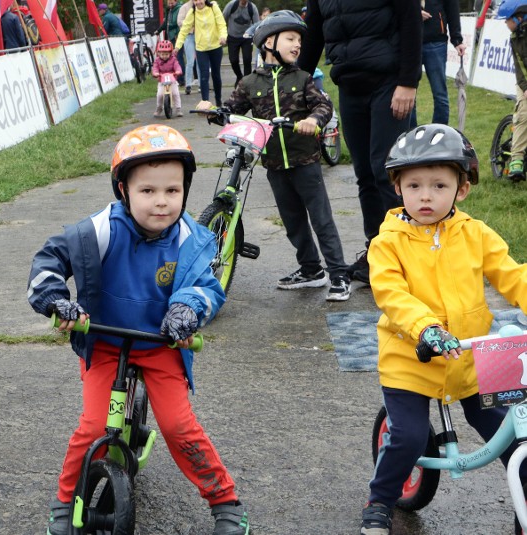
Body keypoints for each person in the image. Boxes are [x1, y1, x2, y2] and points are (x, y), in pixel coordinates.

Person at [28, 124, 250, 535]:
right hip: (106, 344)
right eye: (147, 191)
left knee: (180, 426)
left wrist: (186, 310)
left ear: (185, 190)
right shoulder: (100, 229)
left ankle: (225, 501)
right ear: (123, 190)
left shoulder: (190, 239)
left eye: (173, 190)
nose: (162, 202)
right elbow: (49, 260)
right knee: (94, 428)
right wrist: (57, 301)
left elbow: (206, 285)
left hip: (161, 345)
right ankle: (64, 500)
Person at [361, 124, 527, 535]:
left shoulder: (476, 234)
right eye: (414, 185)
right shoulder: (388, 242)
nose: (426, 196)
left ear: (462, 190)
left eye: (439, 185)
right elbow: (391, 293)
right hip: (411, 360)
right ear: (398, 188)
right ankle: (380, 499)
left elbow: (511, 276)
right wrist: (425, 328)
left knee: (511, 432)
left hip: (472, 358)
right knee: (410, 438)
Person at [222, 10, 351, 301]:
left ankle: (339, 275)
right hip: (274, 164)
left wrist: (314, 120)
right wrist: (215, 110)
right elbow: (232, 108)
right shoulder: (249, 83)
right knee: (292, 220)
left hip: (305, 162)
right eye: (291, 38)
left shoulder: (303, 78)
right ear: (268, 43)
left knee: (321, 219)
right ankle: (311, 270)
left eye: (299, 41)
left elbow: (323, 106)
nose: (297, 45)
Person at [298, 0, 422, 285]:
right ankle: (377, 249)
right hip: (350, 84)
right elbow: (315, 33)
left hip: (389, 82)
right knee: (364, 173)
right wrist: (295, 84)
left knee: (386, 171)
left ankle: (405, 255)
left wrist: (408, 81)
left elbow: (410, 20)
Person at [409, 0, 465, 127]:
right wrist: (415, 14)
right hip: (410, 41)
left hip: (436, 42)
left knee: (440, 95)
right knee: (408, 91)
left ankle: (438, 134)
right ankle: (410, 135)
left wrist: (457, 39)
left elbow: (452, 8)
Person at [174, 0, 227, 107]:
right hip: (201, 49)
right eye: (195, 0)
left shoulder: (213, 7)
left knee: (216, 74)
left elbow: (221, 24)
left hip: (215, 46)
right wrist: (177, 46)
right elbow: (184, 30)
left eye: (200, 0)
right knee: (204, 75)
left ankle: (218, 101)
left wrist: (223, 36)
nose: (198, 2)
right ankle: (205, 103)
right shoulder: (192, 12)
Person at [499, 0, 527, 181]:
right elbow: (519, 67)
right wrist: (525, 88)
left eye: (506, 19)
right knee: (524, 114)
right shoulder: (515, 37)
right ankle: (516, 159)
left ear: (519, 18)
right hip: (524, 81)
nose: (505, 23)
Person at [222, 0, 259, 86]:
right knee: (233, 60)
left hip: (246, 37)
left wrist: (255, 36)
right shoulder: (232, 5)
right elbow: (222, 19)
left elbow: (257, 24)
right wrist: (223, 34)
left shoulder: (252, 8)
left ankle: (247, 83)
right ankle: (239, 76)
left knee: (247, 59)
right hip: (232, 36)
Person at [151, 40, 183, 117]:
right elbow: (155, 68)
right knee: (159, 95)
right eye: (162, 54)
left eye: (166, 54)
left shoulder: (173, 59)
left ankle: (178, 109)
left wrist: (178, 71)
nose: (164, 56)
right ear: (158, 53)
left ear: (170, 53)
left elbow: (177, 66)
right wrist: (155, 73)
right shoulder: (157, 61)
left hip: (172, 80)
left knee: (175, 93)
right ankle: (159, 108)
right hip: (162, 80)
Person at [177, 0, 199, 95]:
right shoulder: (185, 7)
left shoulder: (202, 6)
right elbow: (179, 21)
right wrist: (190, 24)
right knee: (190, 61)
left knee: (200, 61)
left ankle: (202, 84)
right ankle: (188, 84)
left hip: (199, 35)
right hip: (189, 35)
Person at [162, 0, 184, 85]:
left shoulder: (178, 9)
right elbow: (166, 22)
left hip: (176, 36)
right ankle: (175, 77)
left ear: (176, 2)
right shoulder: (170, 10)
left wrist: (177, 34)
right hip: (171, 36)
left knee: (179, 57)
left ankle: (181, 79)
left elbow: (177, 23)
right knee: (173, 58)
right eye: (169, 3)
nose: (170, 5)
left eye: (172, 3)